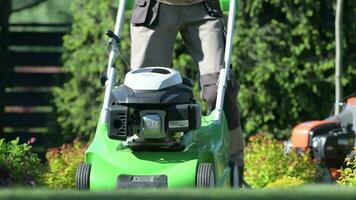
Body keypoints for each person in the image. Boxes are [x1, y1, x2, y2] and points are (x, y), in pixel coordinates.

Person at [130, 0, 245, 186]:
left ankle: (234, 168)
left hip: (203, 8)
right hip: (156, 7)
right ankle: (143, 165)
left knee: (219, 89)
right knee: (144, 91)